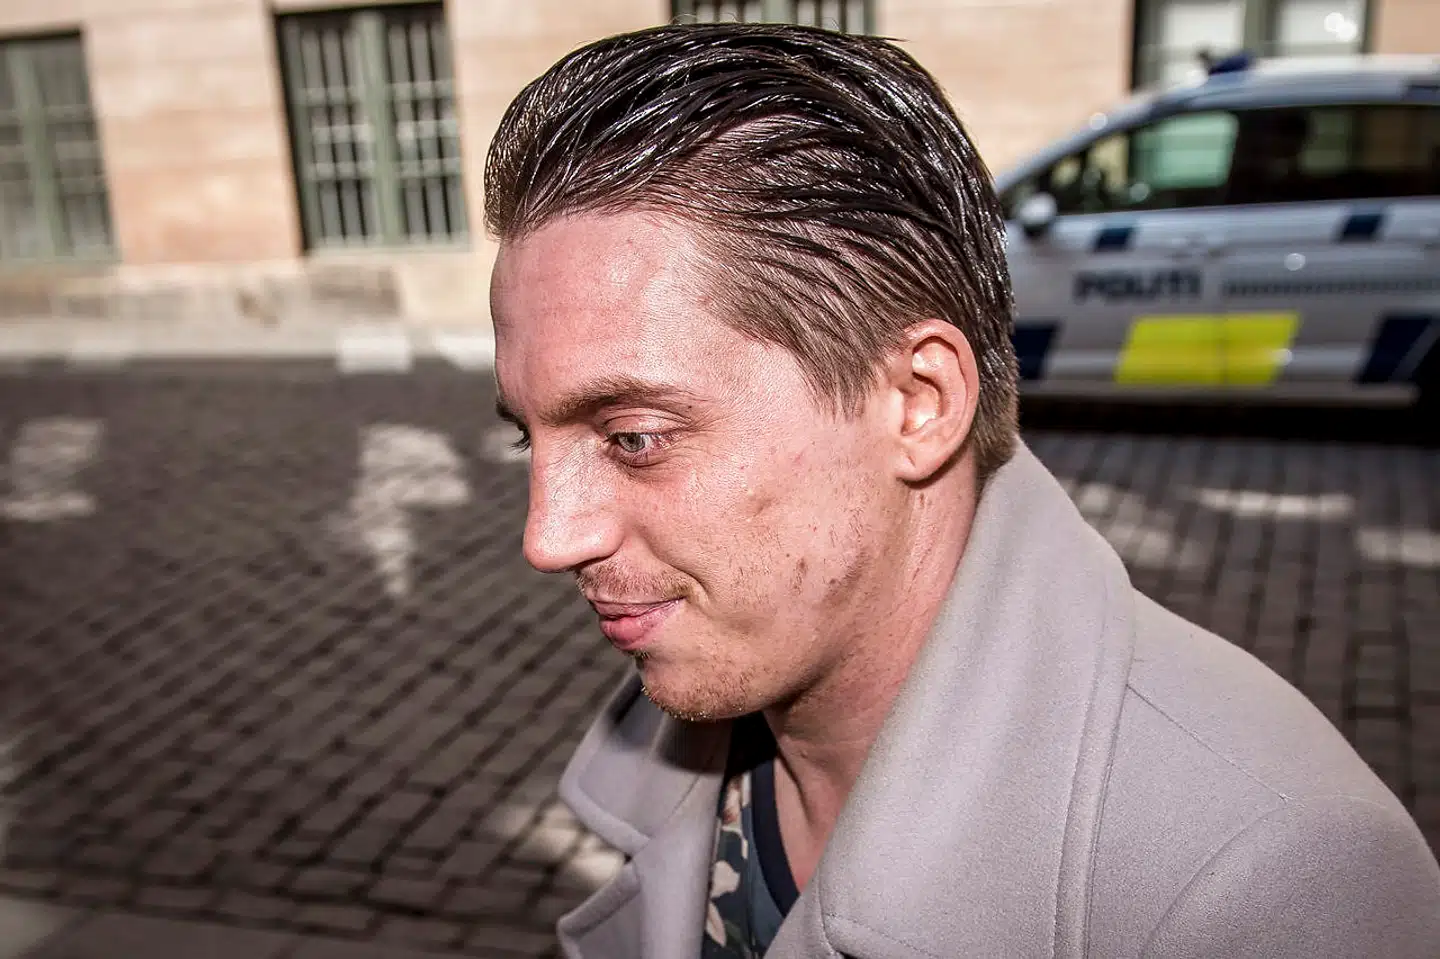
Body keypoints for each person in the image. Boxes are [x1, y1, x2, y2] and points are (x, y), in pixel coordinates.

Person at [483, 23, 1440, 959]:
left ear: (918, 402)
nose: (548, 536)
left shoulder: (1268, 874)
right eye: (530, 435)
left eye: (635, 437)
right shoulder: (713, 692)